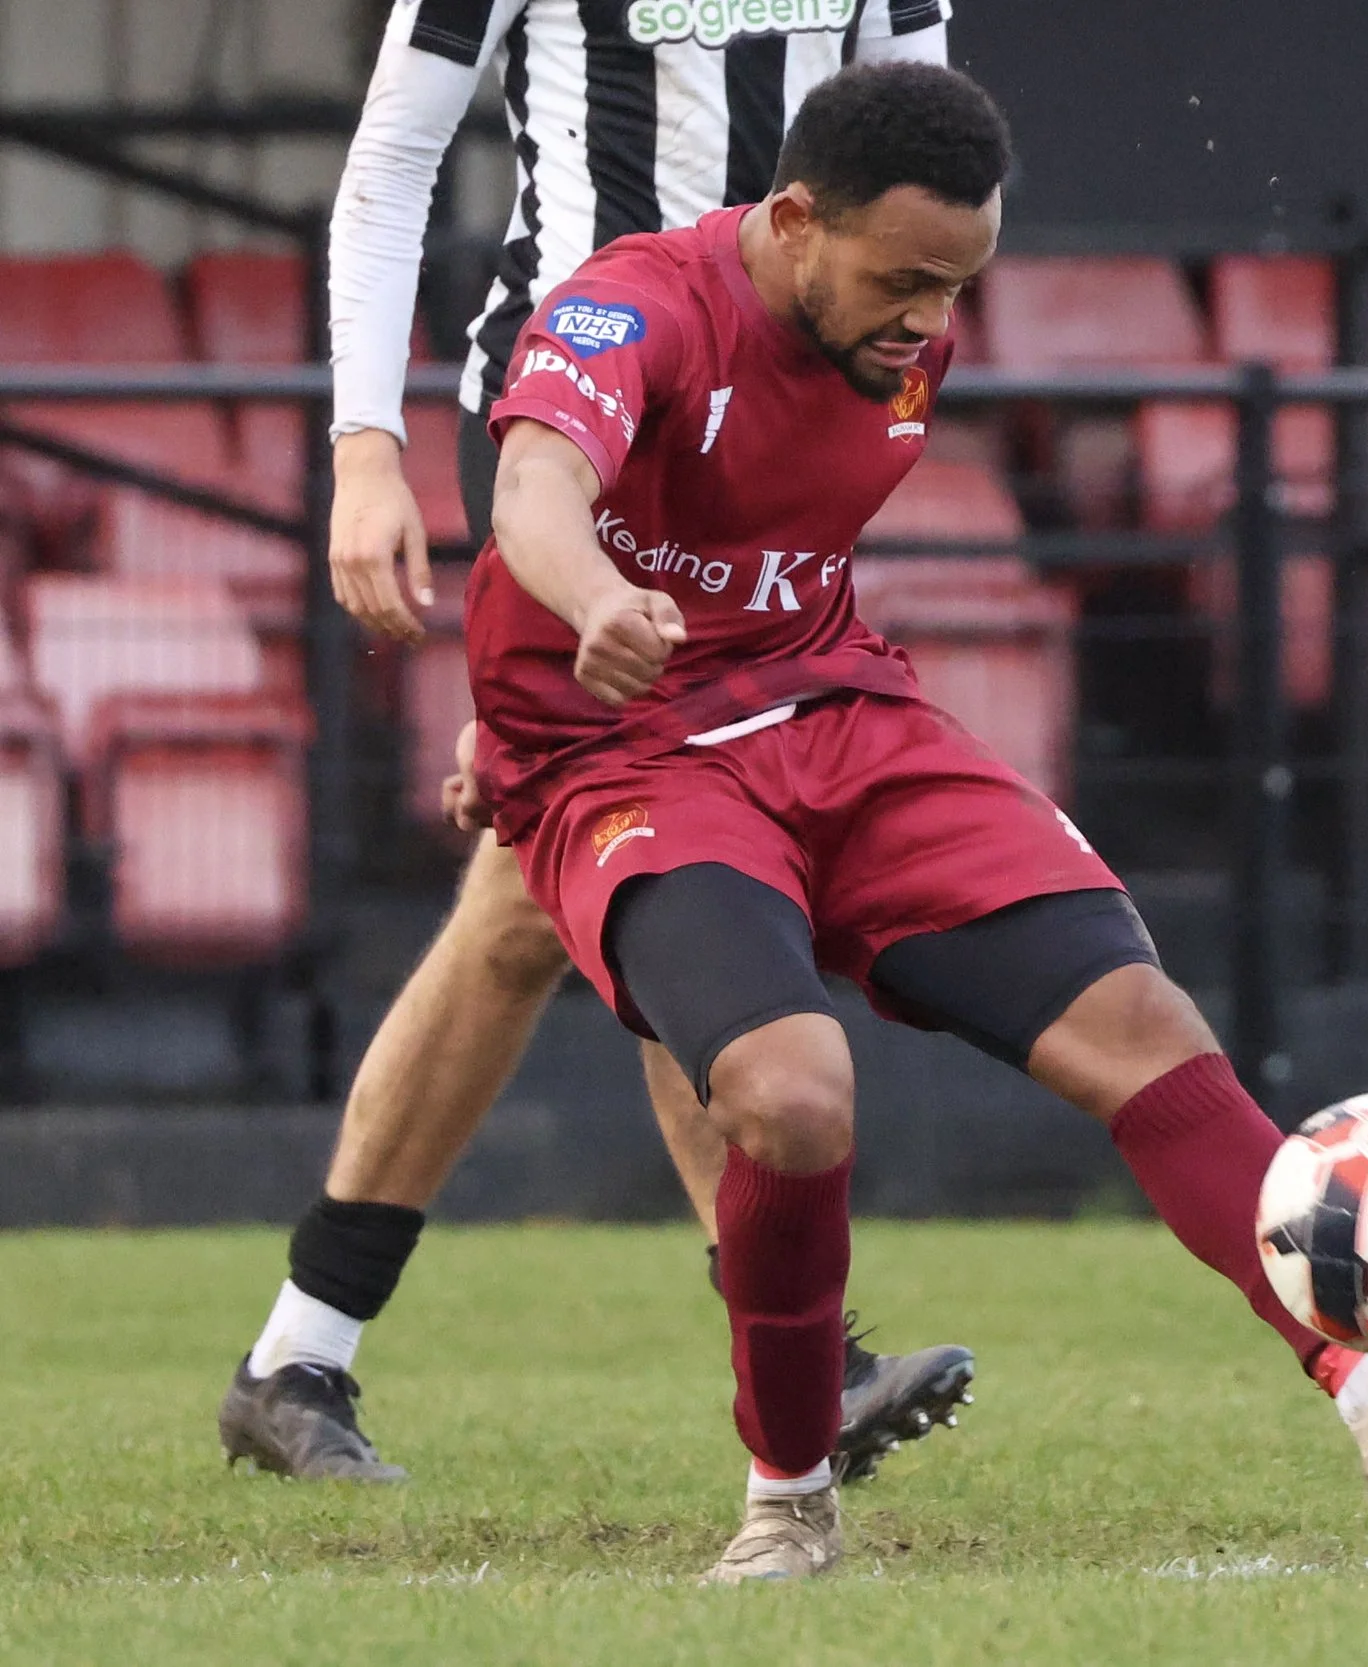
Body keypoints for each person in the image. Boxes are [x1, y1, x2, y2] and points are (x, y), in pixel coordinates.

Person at [468, 59, 1368, 1584]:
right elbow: (536, 484)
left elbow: (779, 529)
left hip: (836, 711)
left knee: (1142, 1019)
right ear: (794, 219)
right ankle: (791, 1498)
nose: (927, 321)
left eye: (958, 284)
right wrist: (594, 599)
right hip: (627, 754)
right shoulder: (641, 304)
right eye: (900, 280)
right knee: (794, 1095)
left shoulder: (895, 333)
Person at [219, 0, 974, 1486]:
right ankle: (801, 1361)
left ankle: (300, 1350)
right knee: (663, 842)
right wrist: (362, 447)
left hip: (772, 425)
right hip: (574, 423)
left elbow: (927, 152)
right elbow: (393, 162)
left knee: (537, 904)